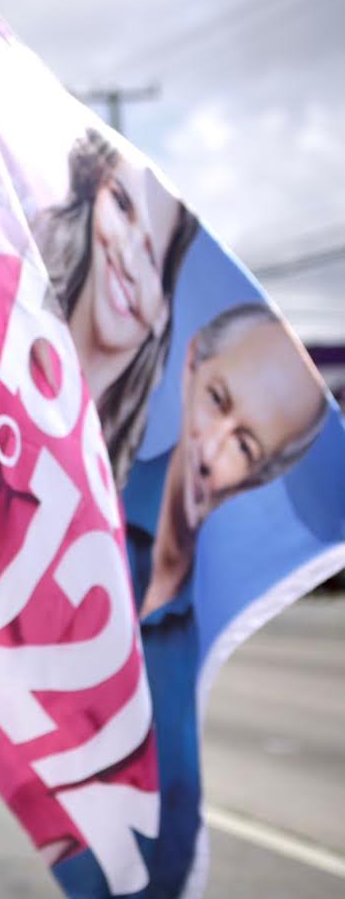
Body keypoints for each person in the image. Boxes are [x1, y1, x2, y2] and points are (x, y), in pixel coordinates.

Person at [105, 302, 331, 898]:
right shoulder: (91, 512)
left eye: (246, 447)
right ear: (191, 367)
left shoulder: (211, 601)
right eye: (217, 400)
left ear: (262, 475)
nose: (211, 450)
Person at [33, 128, 200, 489]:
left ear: (165, 311)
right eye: (122, 206)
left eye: (152, 259)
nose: (127, 256)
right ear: (94, 201)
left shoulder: (141, 488)